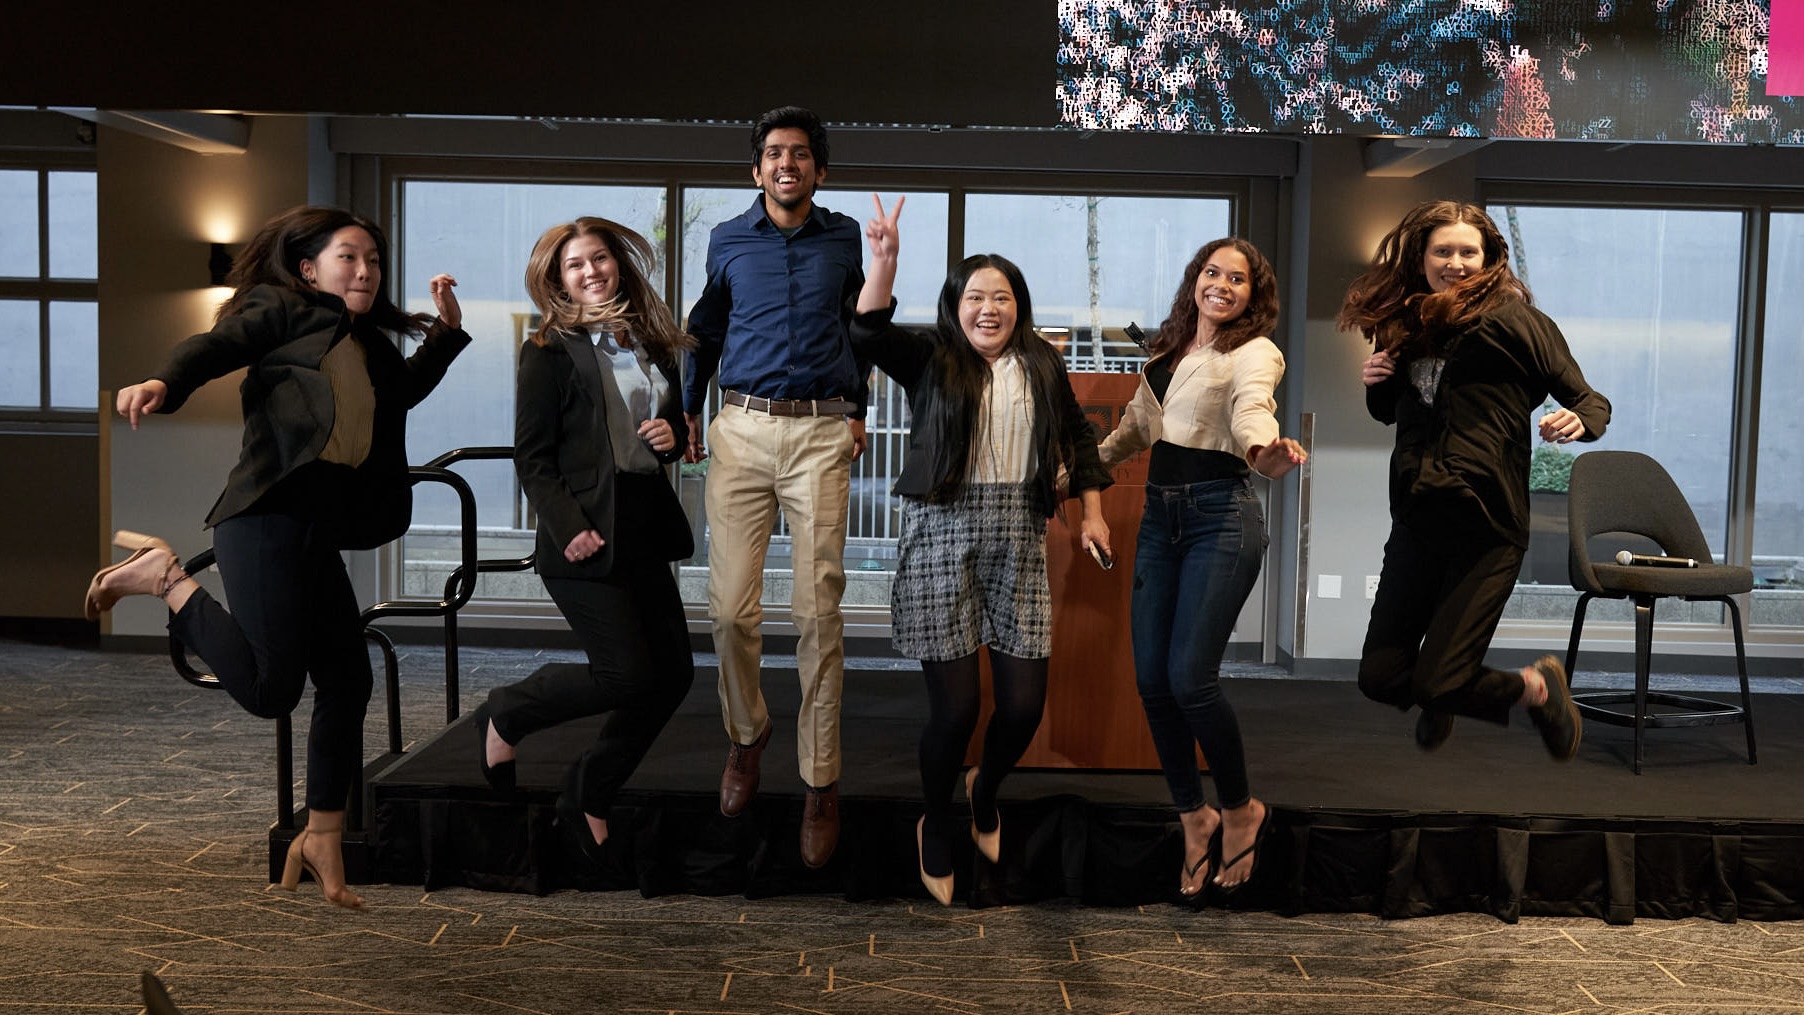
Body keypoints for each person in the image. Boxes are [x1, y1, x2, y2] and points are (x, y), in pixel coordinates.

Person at [84, 205, 472, 908]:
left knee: (348, 679)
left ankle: (321, 832)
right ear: (308, 268)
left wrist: (445, 332)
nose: (364, 270)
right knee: (272, 691)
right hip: (262, 519)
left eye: (374, 260)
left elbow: (403, 394)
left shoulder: (367, 342)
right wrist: (164, 382)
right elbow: (216, 345)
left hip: (313, 529)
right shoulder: (282, 312)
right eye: (348, 257)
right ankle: (164, 577)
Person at [852, 195, 1112, 905]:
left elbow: (1081, 441)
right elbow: (869, 331)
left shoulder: (1043, 366)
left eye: (1002, 297)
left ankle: (984, 788)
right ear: (956, 305)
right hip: (942, 532)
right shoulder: (933, 361)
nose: (988, 308)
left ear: (1019, 307)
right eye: (976, 296)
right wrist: (885, 261)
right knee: (957, 709)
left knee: (1024, 705)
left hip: (1018, 536)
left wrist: (1092, 513)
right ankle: (936, 819)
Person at [1337, 199, 1611, 760]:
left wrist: (1578, 420)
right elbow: (1390, 412)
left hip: (1488, 524)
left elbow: (1589, 400)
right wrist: (1376, 381)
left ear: (1489, 258)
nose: (1455, 262)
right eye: (1444, 251)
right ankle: (1457, 690)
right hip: (1417, 518)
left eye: (1468, 252)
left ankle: (1537, 689)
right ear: (1422, 256)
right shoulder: (1404, 322)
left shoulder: (1516, 320)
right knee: (1379, 677)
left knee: (1438, 682)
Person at [472, 217, 696, 863]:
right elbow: (532, 456)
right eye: (575, 264)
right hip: (584, 535)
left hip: (643, 530)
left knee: (674, 674)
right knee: (626, 675)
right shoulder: (546, 349)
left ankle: (589, 791)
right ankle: (508, 711)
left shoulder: (647, 341)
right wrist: (568, 527)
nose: (591, 271)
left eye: (599, 258)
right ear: (556, 277)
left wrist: (672, 439)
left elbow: (659, 431)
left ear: (617, 265)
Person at [683, 105, 868, 868]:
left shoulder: (846, 236)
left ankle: (820, 779)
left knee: (818, 609)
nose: (785, 164)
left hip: (822, 432)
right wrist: (687, 410)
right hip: (742, 428)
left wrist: (858, 408)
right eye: (772, 154)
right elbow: (705, 330)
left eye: (799, 154)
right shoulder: (726, 241)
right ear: (754, 169)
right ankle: (748, 731)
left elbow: (861, 326)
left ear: (819, 171)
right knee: (729, 610)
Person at [1097, 238, 1306, 899]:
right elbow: (1134, 430)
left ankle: (1241, 806)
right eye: (1213, 272)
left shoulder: (1252, 351)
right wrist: (1074, 470)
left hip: (1221, 516)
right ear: (1196, 281)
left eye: (1237, 278)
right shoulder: (1166, 354)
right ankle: (1196, 814)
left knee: (1191, 677)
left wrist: (1263, 451)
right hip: (1161, 520)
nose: (1222, 284)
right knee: (1153, 682)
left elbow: (1252, 409)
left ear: (1253, 293)